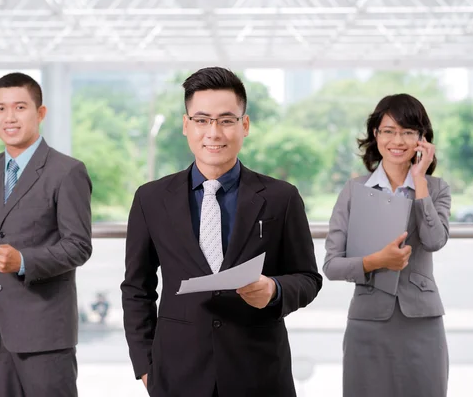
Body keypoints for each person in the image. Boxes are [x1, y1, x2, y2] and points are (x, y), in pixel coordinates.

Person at [121, 67, 322, 397]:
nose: (213, 132)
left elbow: (308, 278)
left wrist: (273, 289)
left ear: (244, 125)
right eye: (202, 120)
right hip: (177, 371)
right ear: (186, 126)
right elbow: (136, 287)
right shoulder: (151, 198)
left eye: (226, 120)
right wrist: (144, 364)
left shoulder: (281, 197)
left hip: (258, 370)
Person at [0, 72, 93, 397]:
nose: (9, 117)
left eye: (20, 107)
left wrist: (22, 260)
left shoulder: (67, 172)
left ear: (40, 113)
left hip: (45, 332)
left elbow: (78, 246)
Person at [324, 93, 450, 397]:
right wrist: (375, 261)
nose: (398, 140)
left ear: (422, 139)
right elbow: (331, 265)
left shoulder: (436, 189)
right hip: (368, 321)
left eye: (408, 131)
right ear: (375, 135)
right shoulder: (354, 190)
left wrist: (419, 181)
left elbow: (435, 241)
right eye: (389, 130)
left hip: (422, 321)